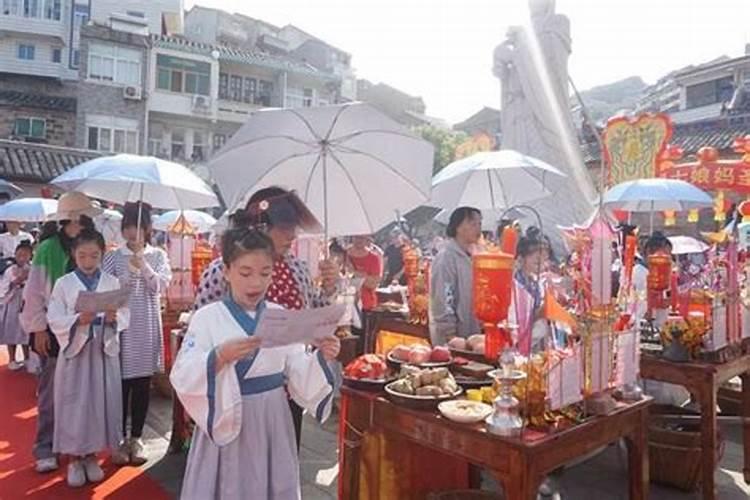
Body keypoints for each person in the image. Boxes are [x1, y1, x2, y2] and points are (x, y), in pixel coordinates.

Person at [171, 227, 339, 499]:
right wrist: (219, 357)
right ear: (226, 271)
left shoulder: (280, 315)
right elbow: (183, 373)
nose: (256, 283)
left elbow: (296, 366)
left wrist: (321, 357)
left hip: (272, 414)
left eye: (265, 273)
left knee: (271, 480)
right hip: (226, 413)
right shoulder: (206, 318)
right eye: (245, 273)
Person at [192, 187, 339, 449]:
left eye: (293, 228)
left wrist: (329, 289)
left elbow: (313, 314)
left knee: (282, 451)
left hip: (289, 382)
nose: (291, 235)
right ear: (261, 226)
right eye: (283, 228)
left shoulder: (298, 267)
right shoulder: (219, 270)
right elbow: (201, 323)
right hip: (233, 390)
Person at [21, 192, 101, 474]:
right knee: (51, 392)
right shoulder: (48, 248)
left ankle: (79, 448)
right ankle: (46, 447)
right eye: (81, 214)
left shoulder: (92, 245)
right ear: (72, 217)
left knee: (82, 391)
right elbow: (34, 293)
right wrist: (39, 328)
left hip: (84, 328)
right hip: (53, 330)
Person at [47, 228, 128, 487]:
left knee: (99, 402)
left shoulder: (111, 282)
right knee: (74, 404)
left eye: (94, 256)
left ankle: (92, 454)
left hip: (102, 352)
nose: (89, 261)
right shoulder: (64, 283)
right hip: (77, 352)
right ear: (74, 254)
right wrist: (76, 320)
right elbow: (54, 317)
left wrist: (116, 319)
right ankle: (74, 457)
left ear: (102, 255)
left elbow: (125, 312)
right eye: (83, 256)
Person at [104, 202, 172, 465]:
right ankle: (118, 438)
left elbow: (158, 288)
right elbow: (109, 292)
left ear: (147, 228)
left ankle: (137, 437)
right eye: (128, 227)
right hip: (122, 326)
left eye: (137, 227)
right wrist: (127, 275)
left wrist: (143, 265)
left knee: (143, 382)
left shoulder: (158, 255)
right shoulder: (112, 256)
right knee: (120, 384)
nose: (132, 233)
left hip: (146, 324)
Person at [429, 207, 483, 345]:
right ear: (458, 227)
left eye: (479, 224)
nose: (478, 229)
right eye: (472, 224)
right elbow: (444, 296)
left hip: (473, 332)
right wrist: (450, 334)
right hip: (454, 339)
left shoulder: (475, 256)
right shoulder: (446, 258)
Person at [510, 227, 550, 355]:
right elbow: (516, 321)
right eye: (537, 261)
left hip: (535, 343)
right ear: (521, 258)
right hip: (518, 346)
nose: (541, 266)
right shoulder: (515, 285)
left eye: (543, 261)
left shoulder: (536, 283)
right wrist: (540, 313)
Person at [0, 241, 33, 370]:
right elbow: (3, 287)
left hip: (27, 302)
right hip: (13, 301)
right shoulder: (10, 270)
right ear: (15, 255)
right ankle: (12, 359)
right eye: (19, 255)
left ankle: (27, 358)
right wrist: (17, 280)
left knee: (25, 332)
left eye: (25, 255)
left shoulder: (34, 269)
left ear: (30, 256)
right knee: (11, 330)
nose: (22, 258)